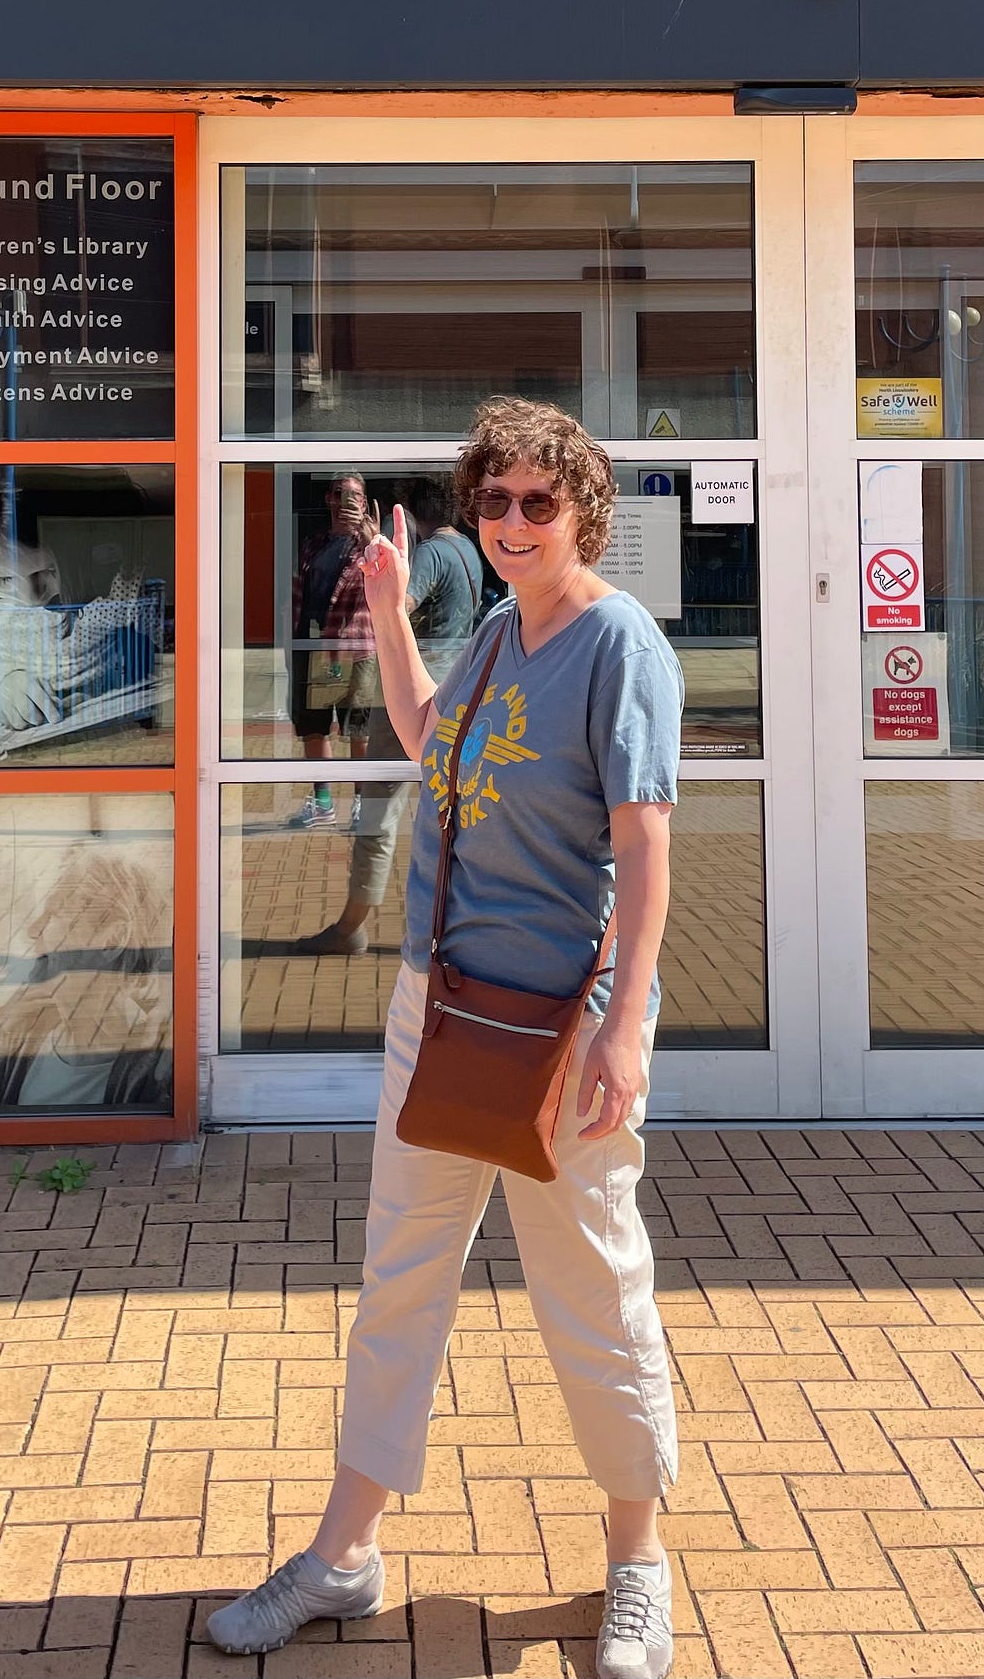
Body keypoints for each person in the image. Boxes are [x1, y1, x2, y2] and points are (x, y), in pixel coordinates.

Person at [209, 397, 683, 1679]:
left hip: (557, 1028)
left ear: (583, 509)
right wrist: (390, 617)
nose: (515, 520)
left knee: (591, 1287)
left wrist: (624, 1027)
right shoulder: (488, 629)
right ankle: (344, 1554)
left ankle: (637, 1561)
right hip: (444, 1006)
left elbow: (644, 850)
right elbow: (429, 745)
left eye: (540, 500)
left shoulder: (617, 644)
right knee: (400, 1278)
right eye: (495, 501)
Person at [294, 478, 484, 956]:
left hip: (416, 692)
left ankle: (351, 925)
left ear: (413, 513)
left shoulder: (431, 556)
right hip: (460, 688)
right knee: (452, 813)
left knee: (378, 810)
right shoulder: (470, 554)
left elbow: (396, 605)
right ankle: (457, 925)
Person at [286, 472, 378, 827]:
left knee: (359, 730)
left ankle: (361, 802)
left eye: (354, 496)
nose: (345, 503)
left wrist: (369, 531)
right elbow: (296, 596)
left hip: (357, 649)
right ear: (328, 499)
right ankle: (322, 801)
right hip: (315, 649)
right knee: (314, 727)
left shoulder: (369, 543)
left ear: (365, 502)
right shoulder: (314, 544)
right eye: (340, 494)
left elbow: (386, 570)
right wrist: (291, 645)